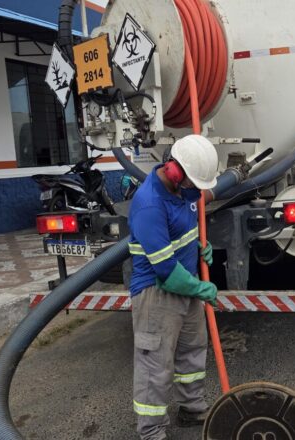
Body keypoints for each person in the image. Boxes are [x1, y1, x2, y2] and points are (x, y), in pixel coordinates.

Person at [127, 134, 219, 439]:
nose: (199, 193)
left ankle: (192, 408)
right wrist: (201, 289)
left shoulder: (184, 192)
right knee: (156, 365)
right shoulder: (149, 205)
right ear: (176, 174)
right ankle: (152, 430)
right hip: (158, 293)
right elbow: (165, 270)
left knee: (192, 351)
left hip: (188, 280)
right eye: (195, 185)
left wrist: (199, 247)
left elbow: (186, 229)